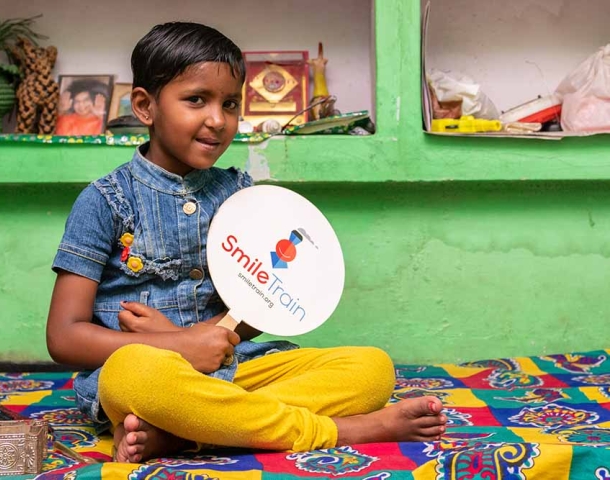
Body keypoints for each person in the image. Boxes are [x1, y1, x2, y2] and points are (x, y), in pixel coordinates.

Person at [46, 22, 447, 464]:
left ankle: (187, 433)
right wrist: (177, 346)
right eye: (196, 99)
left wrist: (199, 337)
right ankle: (337, 430)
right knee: (133, 374)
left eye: (230, 104)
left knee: (371, 368)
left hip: (240, 371)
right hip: (155, 375)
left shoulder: (241, 194)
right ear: (145, 106)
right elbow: (64, 337)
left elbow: (258, 305)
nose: (218, 120)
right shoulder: (105, 201)